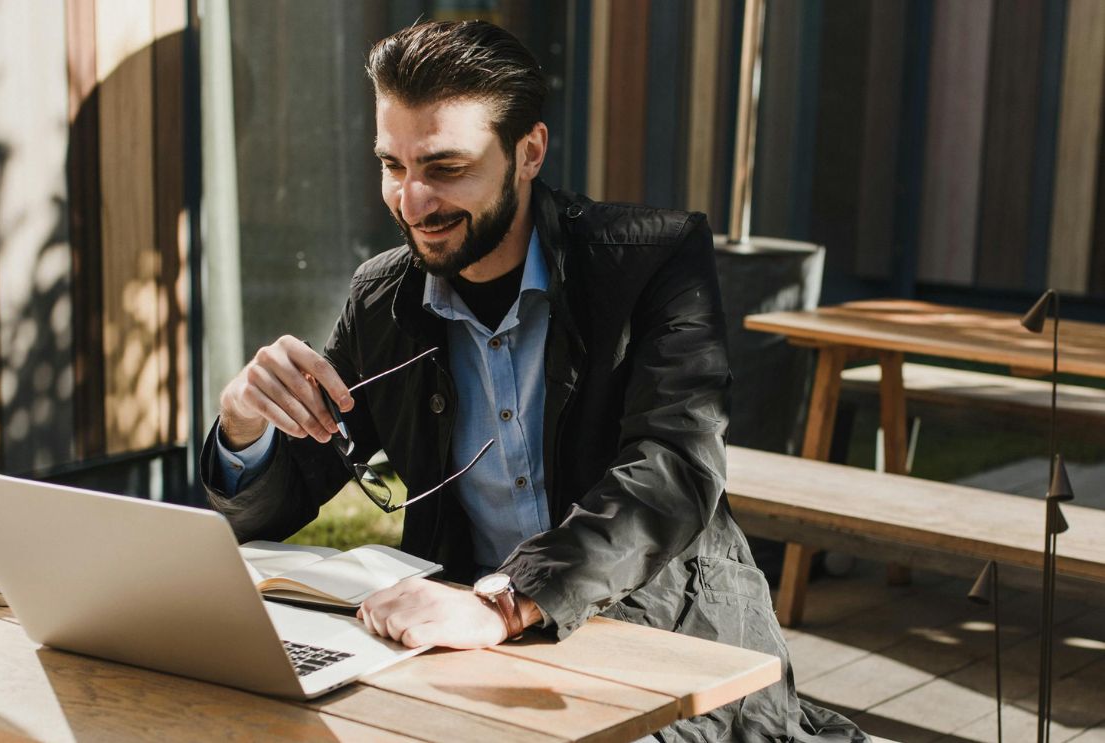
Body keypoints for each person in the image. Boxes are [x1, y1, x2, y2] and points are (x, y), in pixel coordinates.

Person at [204, 19, 866, 742]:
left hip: (671, 635)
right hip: (469, 654)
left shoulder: (651, 261)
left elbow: (673, 470)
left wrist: (508, 600)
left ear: (528, 152)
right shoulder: (380, 298)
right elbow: (281, 496)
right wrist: (244, 426)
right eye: (393, 165)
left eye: (445, 167)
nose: (412, 200)